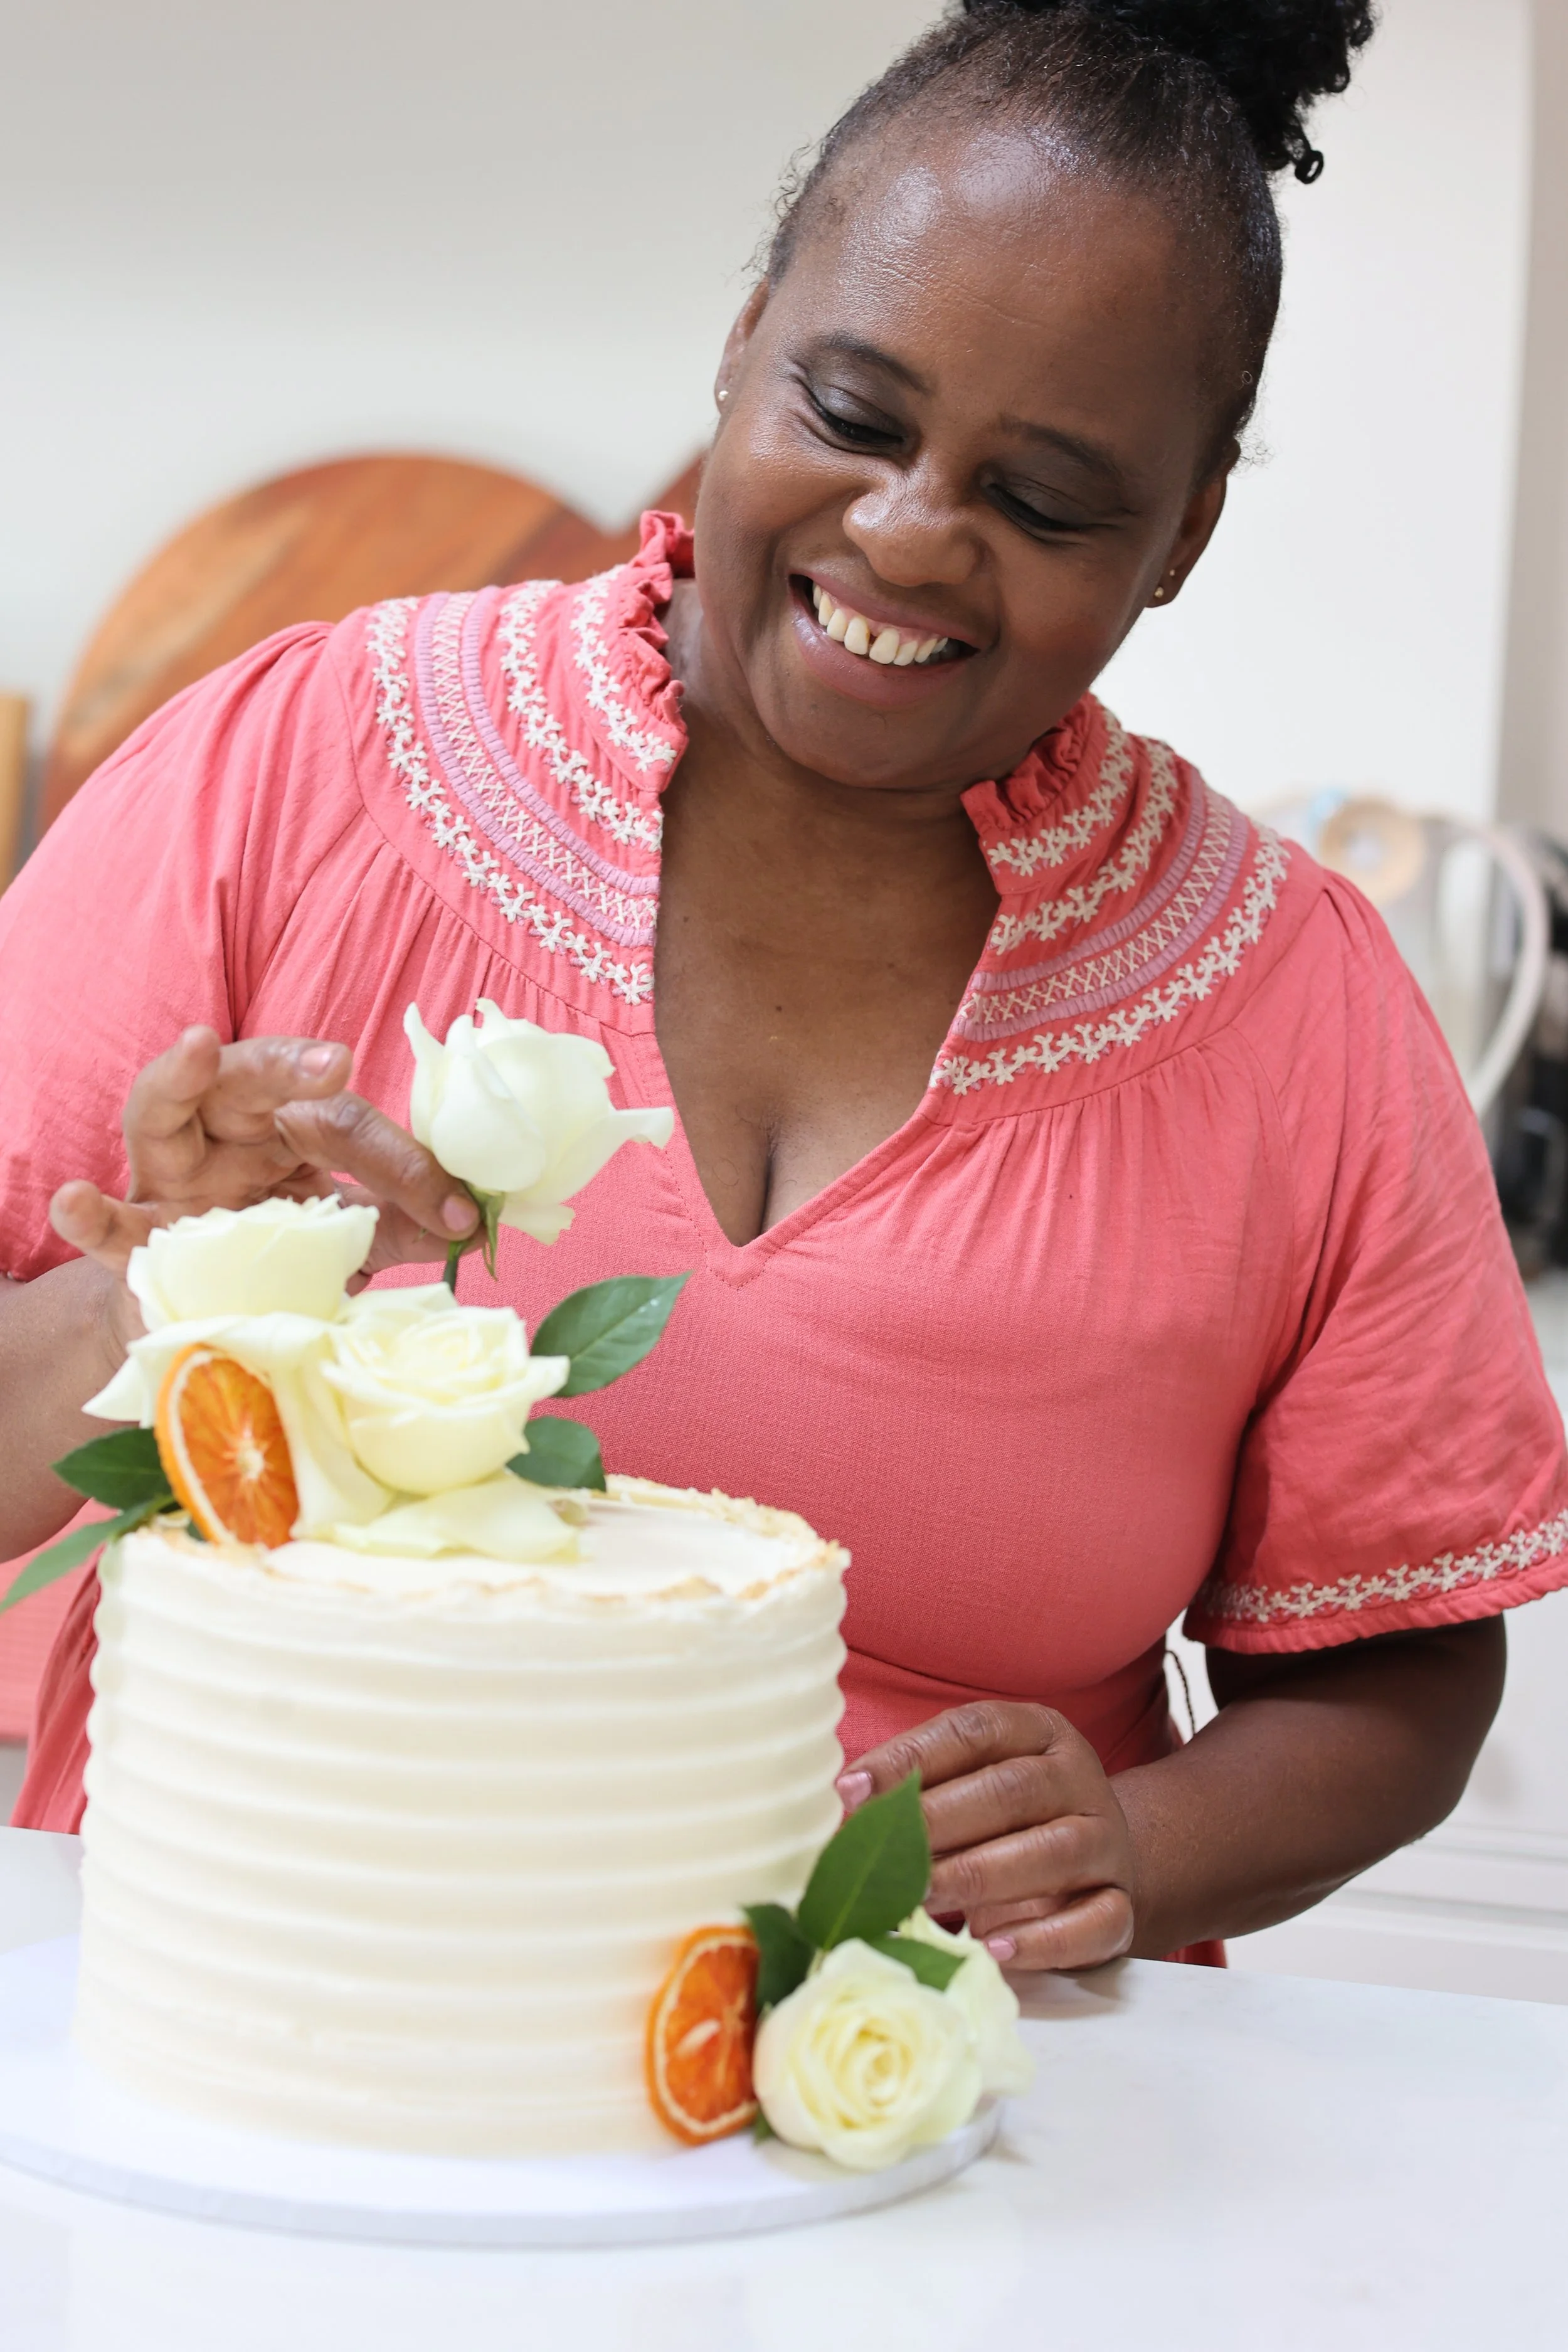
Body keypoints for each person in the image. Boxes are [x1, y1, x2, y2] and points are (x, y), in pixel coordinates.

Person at [1, 0, 1561, 1974]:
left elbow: (1404, 1675)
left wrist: (1141, 1844)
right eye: (851, 413)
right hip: (266, 2057)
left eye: (1048, 498)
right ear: (742, 345)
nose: (909, 536)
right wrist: (162, 1303)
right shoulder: (292, 771)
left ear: (1181, 533)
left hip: (942, 2145)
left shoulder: (1296, 1011)